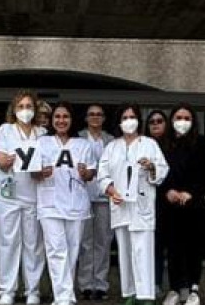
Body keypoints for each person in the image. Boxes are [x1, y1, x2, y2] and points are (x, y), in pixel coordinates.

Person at [97, 104, 169, 305]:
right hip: (120, 205)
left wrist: (151, 166)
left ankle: (146, 295)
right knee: (125, 251)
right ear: (119, 122)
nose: (129, 121)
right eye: (125, 117)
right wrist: (111, 191)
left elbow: (163, 170)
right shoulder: (111, 147)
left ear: (138, 120)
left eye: (132, 117)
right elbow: (102, 175)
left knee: (143, 250)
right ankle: (129, 292)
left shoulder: (149, 144)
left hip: (141, 204)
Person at [0, 90, 47, 305]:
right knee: (8, 243)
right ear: (14, 110)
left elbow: (46, 163)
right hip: (8, 196)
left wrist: (41, 171)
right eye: (21, 106)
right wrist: (5, 161)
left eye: (29, 106)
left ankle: (32, 290)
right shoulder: (6, 131)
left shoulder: (42, 133)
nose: (25, 111)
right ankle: (7, 290)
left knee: (33, 244)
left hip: (33, 195)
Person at [35, 102, 95, 305]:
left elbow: (91, 174)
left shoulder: (83, 145)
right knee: (56, 250)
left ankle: (66, 296)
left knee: (72, 250)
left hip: (76, 203)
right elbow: (32, 172)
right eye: (57, 117)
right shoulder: (42, 142)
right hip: (49, 202)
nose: (61, 120)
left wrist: (85, 173)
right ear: (52, 121)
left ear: (72, 120)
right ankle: (63, 297)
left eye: (65, 117)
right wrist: (41, 173)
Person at [158, 104, 205, 305]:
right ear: (172, 120)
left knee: (193, 248)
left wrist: (191, 193)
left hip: (194, 205)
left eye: (187, 118)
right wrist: (169, 191)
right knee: (173, 249)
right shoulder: (165, 143)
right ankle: (174, 288)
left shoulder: (202, 143)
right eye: (178, 117)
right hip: (171, 205)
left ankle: (193, 289)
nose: (182, 122)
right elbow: (161, 172)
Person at [76, 104, 113, 301]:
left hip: (105, 198)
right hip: (83, 197)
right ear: (86, 118)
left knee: (103, 241)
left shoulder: (112, 141)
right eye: (91, 114)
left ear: (104, 118)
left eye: (99, 114)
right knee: (85, 243)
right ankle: (85, 285)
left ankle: (100, 283)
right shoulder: (78, 138)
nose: (95, 117)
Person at [145, 110, 171, 296]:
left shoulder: (173, 145)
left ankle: (178, 287)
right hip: (149, 202)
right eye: (151, 122)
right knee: (152, 246)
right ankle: (153, 284)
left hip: (171, 202)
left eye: (159, 121)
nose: (155, 124)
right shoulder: (143, 145)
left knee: (172, 247)